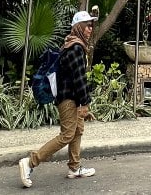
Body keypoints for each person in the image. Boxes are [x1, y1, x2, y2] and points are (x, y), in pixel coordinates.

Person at [19, 10, 97, 188]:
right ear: (78, 27)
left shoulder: (70, 45)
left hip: (71, 96)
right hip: (68, 98)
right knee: (67, 134)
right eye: (87, 25)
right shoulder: (76, 48)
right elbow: (79, 78)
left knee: (77, 130)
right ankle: (30, 162)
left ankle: (75, 168)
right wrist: (85, 103)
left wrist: (83, 103)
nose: (90, 29)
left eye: (91, 25)